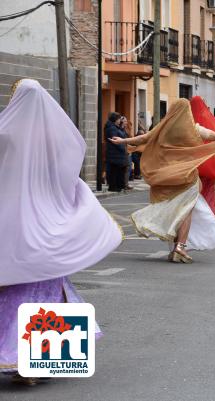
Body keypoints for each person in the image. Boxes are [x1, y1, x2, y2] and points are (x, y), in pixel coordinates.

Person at [0, 79, 122, 383]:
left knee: (10, 286)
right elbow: (69, 174)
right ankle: (37, 363)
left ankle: (16, 357)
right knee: (46, 288)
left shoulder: (4, 134)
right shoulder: (56, 138)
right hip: (47, 220)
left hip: (11, 221)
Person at [109, 99, 215, 263]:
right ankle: (180, 246)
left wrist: (123, 141)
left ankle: (176, 245)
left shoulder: (164, 128)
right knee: (186, 210)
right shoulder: (194, 129)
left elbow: (144, 138)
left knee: (176, 208)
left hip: (169, 176)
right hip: (188, 177)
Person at [104, 112, 129, 192]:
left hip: (117, 153)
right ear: (115, 119)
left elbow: (123, 135)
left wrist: (121, 126)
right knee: (114, 171)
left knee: (117, 171)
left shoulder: (115, 127)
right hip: (115, 153)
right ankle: (114, 187)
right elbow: (115, 140)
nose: (119, 120)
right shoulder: (112, 128)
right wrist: (123, 149)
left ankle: (118, 186)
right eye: (118, 119)